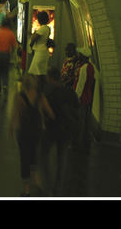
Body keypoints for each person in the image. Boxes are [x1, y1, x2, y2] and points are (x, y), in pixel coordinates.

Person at [10, 73, 55, 196]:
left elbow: (15, 115)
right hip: (37, 131)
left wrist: (11, 129)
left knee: (24, 158)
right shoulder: (40, 96)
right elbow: (50, 113)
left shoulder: (20, 97)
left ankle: (26, 190)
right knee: (34, 153)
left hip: (24, 132)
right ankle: (37, 181)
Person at [40, 67, 79, 195]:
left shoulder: (47, 91)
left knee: (43, 155)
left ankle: (47, 185)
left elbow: (44, 111)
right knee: (62, 159)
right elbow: (77, 108)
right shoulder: (69, 91)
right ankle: (58, 188)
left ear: (49, 78)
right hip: (66, 130)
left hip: (51, 129)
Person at [72, 46, 96, 151]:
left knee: (79, 121)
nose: (78, 56)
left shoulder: (83, 68)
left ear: (83, 56)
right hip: (88, 97)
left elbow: (80, 85)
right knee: (85, 120)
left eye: (80, 54)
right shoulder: (91, 67)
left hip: (82, 98)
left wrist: (76, 97)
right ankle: (84, 142)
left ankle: (78, 143)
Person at [0, 18, 18, 97]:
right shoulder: (11, 34)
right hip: (6, 55)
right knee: (5, 72)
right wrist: (11, 54)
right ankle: (5, 86)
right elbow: (14, 46)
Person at [26, 11, 52, 91]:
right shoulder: (47, 28)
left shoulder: (43, 28)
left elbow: (34, 38)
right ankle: (42, 89)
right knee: (41, 72)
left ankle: (37, 89)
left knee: (36, 72)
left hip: (40, 53)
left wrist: (30, 44)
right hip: (43, 52)